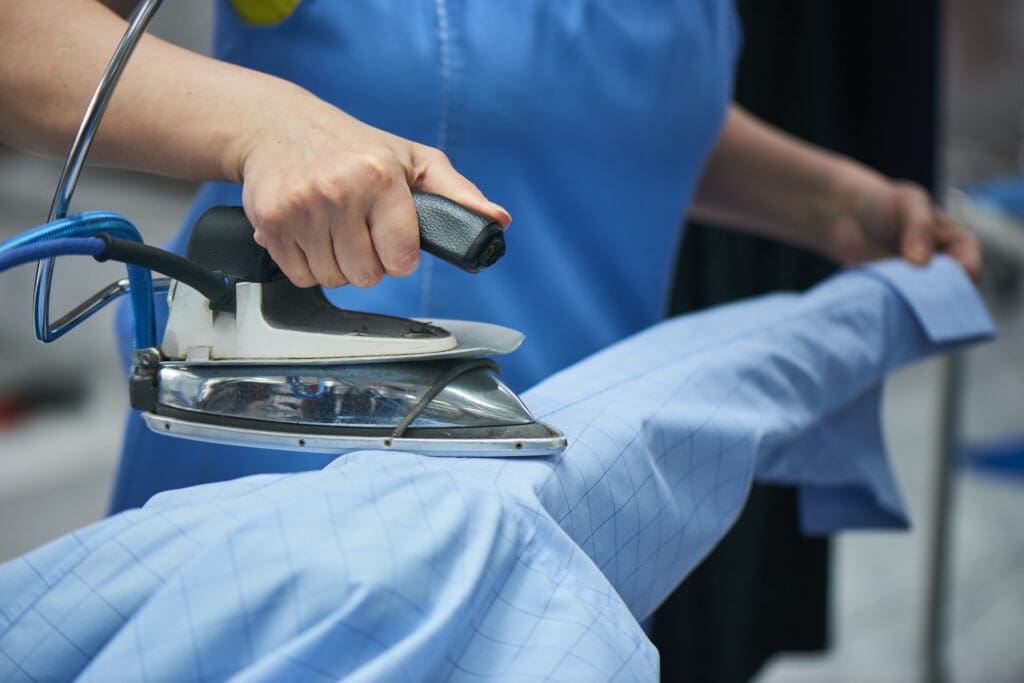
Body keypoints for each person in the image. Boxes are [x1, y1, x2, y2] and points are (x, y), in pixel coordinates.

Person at [0, 0, 983, 512]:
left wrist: (828, 199)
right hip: (307, 477)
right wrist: (265, 122)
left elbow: (593, 103)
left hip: (577, 483)